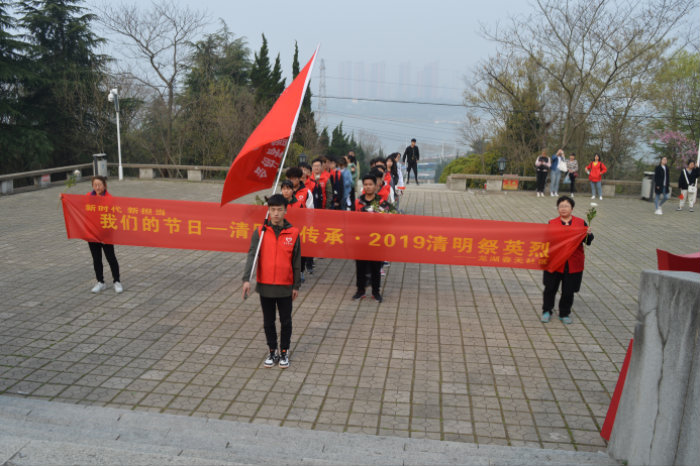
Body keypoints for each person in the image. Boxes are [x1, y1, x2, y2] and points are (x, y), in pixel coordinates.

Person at [241, 194, 301, 369]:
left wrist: (296, 285)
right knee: (268, 321)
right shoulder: (260, 232)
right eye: (272, 209)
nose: (276, 213)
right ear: (268, 210)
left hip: (285, 286)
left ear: (285, 211)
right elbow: (252, 256)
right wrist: (246, 279)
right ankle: (272, 350)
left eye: (279, 210)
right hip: (265, 285)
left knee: (286, 321)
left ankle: (284, 352)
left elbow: (297, 261)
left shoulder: (293, 233)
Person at [541, 196, 594, 325]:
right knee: (550, 288)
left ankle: (564, 313)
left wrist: (588, 234)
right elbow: (545, 241)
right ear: (557, 208)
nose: (563, 209)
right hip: (555, 262)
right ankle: (547, 311)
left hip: (572, 263)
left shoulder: (580, 223)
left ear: (572, 208)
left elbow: (587, 242)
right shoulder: (552, 223)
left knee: (568, 291)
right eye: (561, 206)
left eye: (566, 206)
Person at [353, 174, 396, 303]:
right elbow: (351, 219)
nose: (368, 187)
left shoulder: (381, 203)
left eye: (370, 184)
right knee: (360, 267)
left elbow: (393, 216)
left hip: (377, 241)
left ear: (376, 186)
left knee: (376, 268)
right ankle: (360, 291)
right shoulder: (358, 202)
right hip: (361, 240)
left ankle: (376, 292)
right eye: (365, 184)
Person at [86, 176, 123, 294]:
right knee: (96, 259)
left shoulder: (109, 199)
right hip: (92, 234)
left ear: (104, 185)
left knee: (111, 258)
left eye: (100, 185)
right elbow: (77, 205)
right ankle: (100, 282)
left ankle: (117, 281)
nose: (97, 187)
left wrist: (106, 232)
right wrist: (64, 198)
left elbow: (114, 216)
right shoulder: (88, 197)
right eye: (95, 185)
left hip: (106, 234)